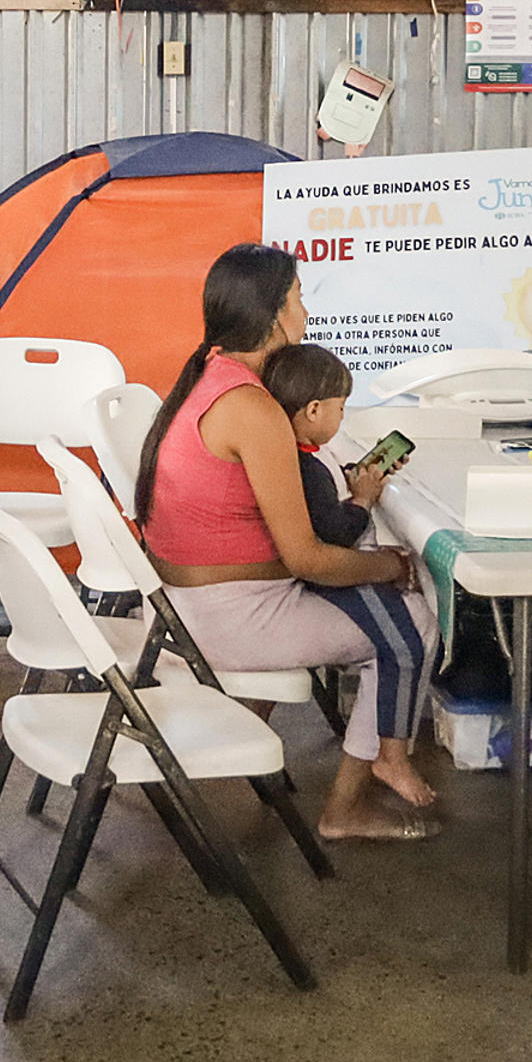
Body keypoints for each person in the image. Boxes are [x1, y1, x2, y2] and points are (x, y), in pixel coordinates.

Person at [135, 245, 441, 841]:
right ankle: (346, 807)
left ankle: (251, 732)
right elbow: (307, 559)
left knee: (372, 591)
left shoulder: (208, 373)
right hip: (225, 618)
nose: (305, 310)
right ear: (275, 314)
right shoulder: (252, 408)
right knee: (416, 624)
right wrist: (388, 565)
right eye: (299, 298)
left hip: (183, 606)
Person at [260, 342, 433, 761]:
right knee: (408, 633)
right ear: (314, 411)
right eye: (341, 408)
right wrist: (362, 501)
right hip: (324, 580)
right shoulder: (308, 470)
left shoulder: (297, 458)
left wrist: (357, 481)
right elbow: (333, 534)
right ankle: (391, 757)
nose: (342, 418)